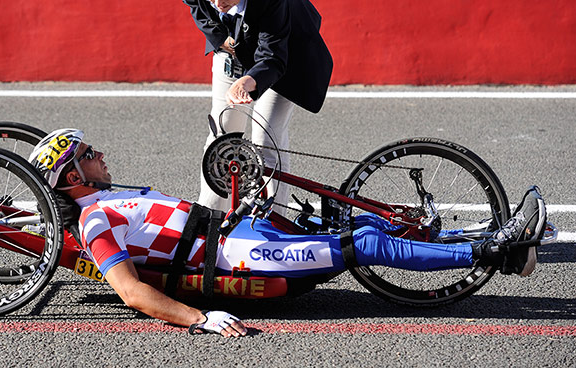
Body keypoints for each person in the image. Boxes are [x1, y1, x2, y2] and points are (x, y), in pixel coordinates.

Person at [29, 128, 548, 338]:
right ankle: (498, 254)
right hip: (247, 259)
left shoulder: (109, 196)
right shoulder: (95, 219)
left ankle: (497, 239)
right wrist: (199, 319)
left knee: (363, 220)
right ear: (74, 176)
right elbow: (130, 291)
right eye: (89, 154)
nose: (101, 155)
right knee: (363, 245)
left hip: (242, 232)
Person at [179, 0, 334, 214]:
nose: (217, 5)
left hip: (283, 56)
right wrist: (221, 40)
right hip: (233, 48)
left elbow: (273, 56)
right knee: (222, 134)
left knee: (266, 140)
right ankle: (210, 218)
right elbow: (194, 3)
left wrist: (250, 81)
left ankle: (272, 221)